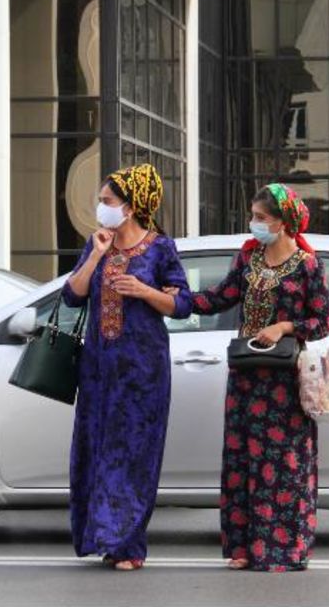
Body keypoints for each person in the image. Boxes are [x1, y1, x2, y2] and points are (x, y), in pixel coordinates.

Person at [187, 183, 329, 572]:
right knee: (241, 459)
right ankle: (242, 547)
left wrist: (284, 326)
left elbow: (323, 323)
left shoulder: (308, 265)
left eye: (261, 218)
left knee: (283, 465)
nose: (254, 225)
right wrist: (175, 298)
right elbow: (220, 298)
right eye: (253, 217)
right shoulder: (248, 258)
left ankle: (282, 550)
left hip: (284, 383)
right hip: (245, 379)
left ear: (285, 223)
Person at [61, 163, 193, 571]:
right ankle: (100, 536)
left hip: (143, 371)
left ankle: (129, 545)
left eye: (107, 202)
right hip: (98, 368)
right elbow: (71, 296)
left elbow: (183, 304)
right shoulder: (96, 242)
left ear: (132, 207)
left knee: (134, 454)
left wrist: (145, 290)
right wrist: (96, 255)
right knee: (97, 450)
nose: (101, 208)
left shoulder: (160, 249)